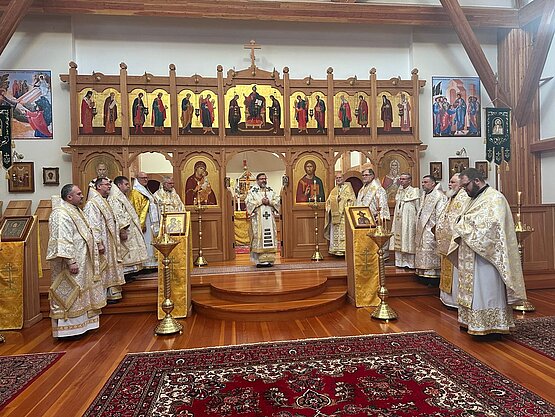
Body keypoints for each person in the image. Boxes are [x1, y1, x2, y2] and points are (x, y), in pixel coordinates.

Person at [449, 168, 527, 336]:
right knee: (474, 289)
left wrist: (462, 225)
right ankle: (471, 321)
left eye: (466, 186)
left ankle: (491, 324)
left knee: (486, 288)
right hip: (471, 253)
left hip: (486, 257)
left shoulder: (495, 198)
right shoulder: (474, 198)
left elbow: (491, 226)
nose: (464, 190)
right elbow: (464, 218)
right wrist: (461, 222)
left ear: (476, 180)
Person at [46, 184, 106, 338]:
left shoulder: (76, 210)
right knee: (72, 290)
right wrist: (70, 261)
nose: (82, 196)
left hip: (83, 259)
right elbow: (62, 238)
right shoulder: (61, 213)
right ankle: (70, 330)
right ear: (69, 197)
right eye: (78, 194)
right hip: (72, 262)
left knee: (83, 289)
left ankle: (83, 325)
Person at [84, 177, 125, 303]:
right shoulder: (92, 203)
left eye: (109, 185)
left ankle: (112, 292)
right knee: (103, 266)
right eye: (106, 185)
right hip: (103, 241)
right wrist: (98, 243)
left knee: (111, 264)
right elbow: (93, 224)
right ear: (98, 187)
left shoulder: (103, 201)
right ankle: (102, 295)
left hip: (110, 239)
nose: (109, 187)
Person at [436, 173, 470, 308]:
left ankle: (456, 301)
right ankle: (447, 299)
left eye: (453, 182)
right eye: (449, 182)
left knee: (456, 272)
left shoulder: (464, 198)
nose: (449, 184)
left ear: (461, 184)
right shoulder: (450, 197)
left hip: (455, 242)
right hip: (446, 241)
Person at [108, 176, 149, 278]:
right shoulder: (114, 197)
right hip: (125, 229)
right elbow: (118, 214)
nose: (128, 187)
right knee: (126, 252)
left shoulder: (121, 195)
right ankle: (125, 275)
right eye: (126, 184)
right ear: (119, 185)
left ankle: (130, 273)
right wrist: (122, 229)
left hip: (130, 227)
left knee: (131, 251)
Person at [414, 175, 447, 284]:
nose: (423, 184)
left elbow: (441, 214)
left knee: (430, 249)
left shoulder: (439, 196)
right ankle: (422, 274)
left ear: (433, 183)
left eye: (426, 182)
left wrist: (436, 228)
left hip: (431, 228)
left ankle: (432, 278)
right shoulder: (424, 194)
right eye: (422, 182)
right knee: (422, 250)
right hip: (422, 229)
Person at [245, 173, 280, 267]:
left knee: (270, 237)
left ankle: (269, 260)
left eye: (265, 178)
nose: (263, 180)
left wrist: (270, 202)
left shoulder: (271, 191)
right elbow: (248, 203)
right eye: (261, 179)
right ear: (257, 180)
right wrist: (260, 201)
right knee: (258, 237)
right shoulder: (252, 191)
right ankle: (259, 261)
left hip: (269, 219)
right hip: (258, 220)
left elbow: (278, 201)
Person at [129, 172, 160, 269]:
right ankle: (147, 263)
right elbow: (135, 209)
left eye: (146, 178)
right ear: (137, 179)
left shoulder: (145, 190)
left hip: (151, 221)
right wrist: (140, 223)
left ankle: (153, 263)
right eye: (142, 178)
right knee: (146, 241)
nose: (145, 180)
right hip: (145, 221)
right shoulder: (136, 192)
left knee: (151, 241)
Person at [390, 173, 420, 269]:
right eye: (401, 179)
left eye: (404, 179)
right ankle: (400, 262)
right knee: (400, 239)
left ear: (409, 180)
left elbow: (418, 207)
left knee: (408, 239)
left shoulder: (414, 191)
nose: (401, 181)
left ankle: (410, 263)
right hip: (399, 219)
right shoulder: (399, 191)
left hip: (409, 220)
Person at [324, 172, 356, 256]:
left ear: (343, 178)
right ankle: (336, 250)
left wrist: (344, 201)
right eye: (337, 178)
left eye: (340, 178)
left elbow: (353, 200)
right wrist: (334, 201)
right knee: (336, 233)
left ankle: (345, 250)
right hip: (336, 215)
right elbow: (328, 202)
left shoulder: (348, 188)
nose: (338, 179)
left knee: (345, 233)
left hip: (344, 215)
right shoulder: (333, 191)